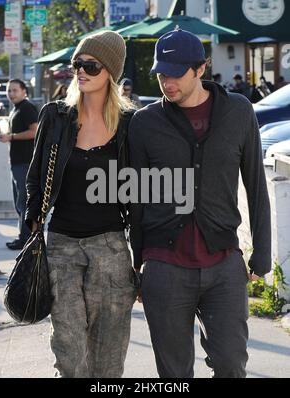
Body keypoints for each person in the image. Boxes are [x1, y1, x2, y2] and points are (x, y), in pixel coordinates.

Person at [128, 29, 271, 378]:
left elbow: (255, 183)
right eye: (162, 73)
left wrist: (262, 254)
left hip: (224, 264)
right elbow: (136, 198)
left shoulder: (239, 112)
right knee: (174, 373)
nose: (167, 81)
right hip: (164, 265)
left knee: (231, 363)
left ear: (200, 69)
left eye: (176, 72)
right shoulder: (145, 123)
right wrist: (137, 266)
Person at [25, 31, 137, 378]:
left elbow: (141, 192)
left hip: (111, 248)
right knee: (69, 354)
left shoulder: (131, 124)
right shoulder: (55, 117)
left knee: (108, 359)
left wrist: (146, 258)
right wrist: (32, 223)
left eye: (92, 65)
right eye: (77, 64)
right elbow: (35, 177)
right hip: (62, 247)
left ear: (112, 74)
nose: (82, 71)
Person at [0, 79, 38, 250]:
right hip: (17, 162)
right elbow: (14, 132)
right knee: (20, 203)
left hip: (25, 163)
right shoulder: (16, 109)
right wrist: (0, 131)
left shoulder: (27, 107)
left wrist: (11, 137)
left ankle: (25, 239)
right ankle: (24, 237)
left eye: (14, 90)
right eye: (9, 91)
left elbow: (35, 131)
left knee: (23, 202)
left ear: (24, 91)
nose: (11, 94)